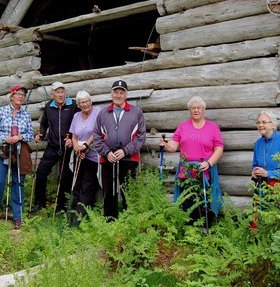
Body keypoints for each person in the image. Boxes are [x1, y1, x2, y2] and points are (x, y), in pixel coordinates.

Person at [159, 96, 224, 226]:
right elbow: (173, 146)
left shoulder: (213, 128)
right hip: (186, 172)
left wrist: (209, 163)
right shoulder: (183, 127)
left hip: (204, 170)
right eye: (193, 108)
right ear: (189, 110)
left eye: (198, 107)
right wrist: (165, 145)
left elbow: (219, 149)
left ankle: (204, 230)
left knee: (204, 201)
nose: (196, 110)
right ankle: (189, 230)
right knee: (187, 201)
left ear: (203, 109)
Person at [93, 79, 146, 220]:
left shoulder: (136, 112)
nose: (118, 95)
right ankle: (110, 222)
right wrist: (106, 152)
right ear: (111, 94)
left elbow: (140, 136)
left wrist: (125, 151)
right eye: (116, 92)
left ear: (126, 94)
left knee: (128, 191)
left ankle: (130, 221)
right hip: (107, 158)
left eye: (121, 92)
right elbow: (97, 135)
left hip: (128, 158)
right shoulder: (103, 113)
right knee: (108, 192)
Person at [0, 85, 34, 229]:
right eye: (18, 94)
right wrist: (5, 138)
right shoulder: (2, 111)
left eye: (23, 95)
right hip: (2, 149)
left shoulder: (25, 115)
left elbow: (30, 134)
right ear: (12, 95)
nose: (21, 96)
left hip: (20, 151)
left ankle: (17, 216)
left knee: (18, 182)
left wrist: (21, 136)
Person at [32, 81, 77, 213]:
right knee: (41, 172)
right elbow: (44, 123)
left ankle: (61, 207)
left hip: (68, 147)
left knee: (65, 176)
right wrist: (40, 134)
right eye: (57, 92)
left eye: (62, 91)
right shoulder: (48, 107)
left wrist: (73, 137)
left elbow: (80, 121)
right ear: (52, 94)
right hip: (52, 146)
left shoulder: (73, 105)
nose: (60, 94)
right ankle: (39, 204)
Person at [250, 110, 280, 229]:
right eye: (258, 122)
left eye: (264, 122)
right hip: (263, 187)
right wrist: (254, 171)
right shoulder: (258, 143)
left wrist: (268, 173)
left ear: (272, 125)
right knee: (259, 220)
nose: (260, 125)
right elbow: (255, 163)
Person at [68, 90, 101, 225]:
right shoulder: (76, 115)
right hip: (79, 155)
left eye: (87, 101)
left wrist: (86, 146)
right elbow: (74, 135)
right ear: (78, 104)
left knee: (87, 187)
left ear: (91, 101)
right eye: (82, 102)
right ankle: (72, 215)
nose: (85, 104)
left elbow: (97, 132)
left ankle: (80, 219)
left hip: (92, 155)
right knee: (76, 185)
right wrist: (76, 147)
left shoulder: (98, 112)